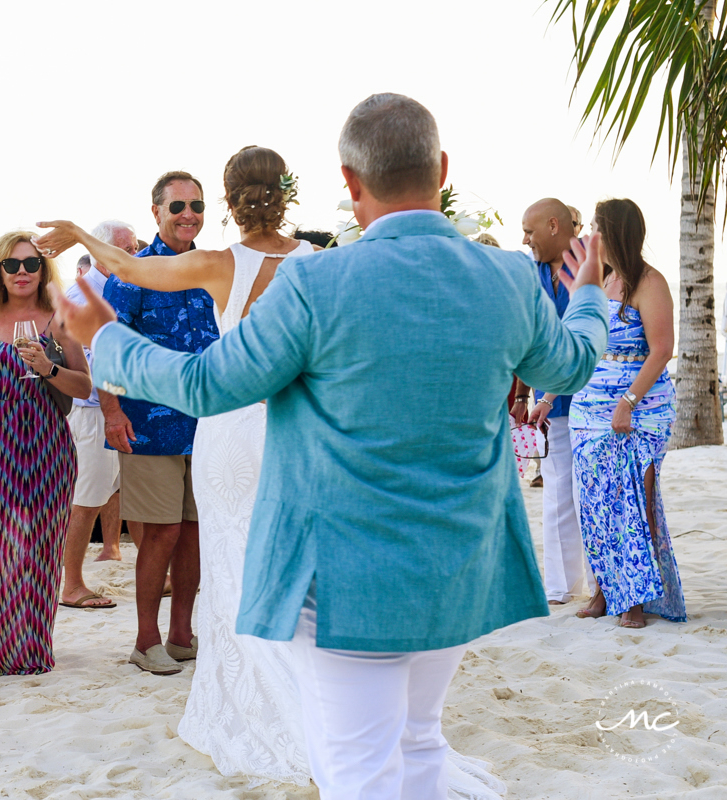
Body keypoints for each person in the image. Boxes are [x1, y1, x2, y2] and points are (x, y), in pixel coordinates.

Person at [52, 93, 609, 800]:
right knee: (418, 740)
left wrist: (104, 338)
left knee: (359, 771)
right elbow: (573, 364)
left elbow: (205, 385)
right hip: (461, 565)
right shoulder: (506, 278)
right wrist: (588, 292)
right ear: (440, 168)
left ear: (349, 183)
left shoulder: (316, 281)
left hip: (347, 575)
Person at [38, 145, 322, 780]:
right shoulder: (318, 264)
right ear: (287, 192)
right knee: (287, 564)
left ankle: (250, 696)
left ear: (227, 203)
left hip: (226, 429)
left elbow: (122, 269)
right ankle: (309, 694)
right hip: (293, 432)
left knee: (228, 562)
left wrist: (82, 236)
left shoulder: (220, 264)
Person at [52, 171, 218, 676]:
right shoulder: (132, 274)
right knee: (161, 534)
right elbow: (106, 345)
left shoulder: (212, 268)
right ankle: (146, 641)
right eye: (177, 207)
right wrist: (111, 411)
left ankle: (182, 635)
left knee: (193, 534)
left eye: (197, 205)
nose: (188, 214)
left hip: (208, 424)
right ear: (157, 213)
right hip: (147, 424)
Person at [0, 232, 90, 676]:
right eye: (11, 265)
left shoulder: (59, 318)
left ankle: (32, 647)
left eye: (30, 264)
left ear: (43, 270)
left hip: (46, 444)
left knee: (39, 551)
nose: (22, 272)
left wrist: (49, 369)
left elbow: (84, 386)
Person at [571, 199, 685, 628]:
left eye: (597, 226)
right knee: (596, 502)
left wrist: (628, 402)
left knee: (635, 499)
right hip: (590, 407)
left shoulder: (648, 282)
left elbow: (661, 350)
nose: (590, 234)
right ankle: (604, 590)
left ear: (615, 231)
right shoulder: (601, 281)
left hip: (640, 408)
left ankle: (634, 599)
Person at [59, 220, 137, 609]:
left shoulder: (113, 289)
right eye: (125, 248)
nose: (134, 255)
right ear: (103, 252)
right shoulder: (87, 295)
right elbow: (95, 361)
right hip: (92, 411)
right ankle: (71, 583)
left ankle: (153, 568)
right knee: (87, 498)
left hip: (110, 408)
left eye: (135, 247)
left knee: (123, 491)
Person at [521, 198, 590, 605]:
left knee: (592, 496)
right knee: (556, 494)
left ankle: (605, 586)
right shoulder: (530, 274)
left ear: (552, 225)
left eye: (529, 231)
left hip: (590, 399)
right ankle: (562, 587)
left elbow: (583, 338)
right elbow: (524, 337)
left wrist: (547, 395)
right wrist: (519, 396)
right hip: (548, 405)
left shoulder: (591, 265)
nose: (524, 239)